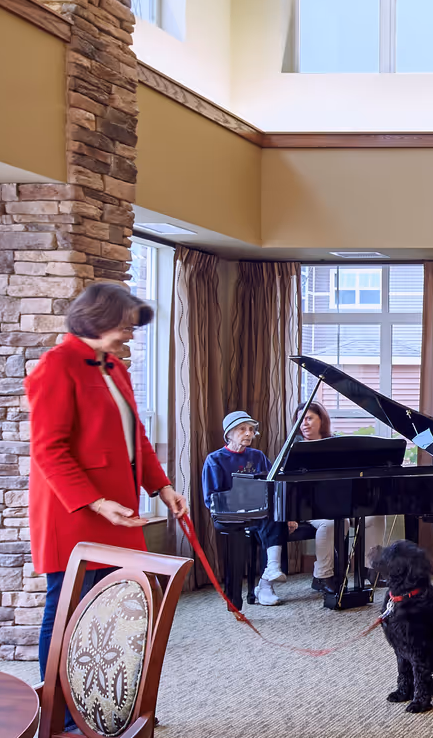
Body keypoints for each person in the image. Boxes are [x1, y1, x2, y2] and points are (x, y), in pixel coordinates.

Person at [26, 282, 187, 680]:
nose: (130, 336)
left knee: (115, 607)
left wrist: (161, 487)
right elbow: (48, 449)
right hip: (76, 512)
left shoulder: (115, 368)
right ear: (102, 320)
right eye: (127, 327)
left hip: (119, 509)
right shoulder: (56, 365)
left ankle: (110, 700)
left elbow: (136, 438)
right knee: (67, 607)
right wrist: (95, 502)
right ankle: (60, 708)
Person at [200, 411, 288, 605]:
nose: (248, 433)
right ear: (229, 433)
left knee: (277, 515)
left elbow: (272, 486)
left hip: (257, 512)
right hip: (228, 515)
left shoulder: (257, 456)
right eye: (242, 429)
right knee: (268, 518)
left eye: (251, 429)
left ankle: (268, 579)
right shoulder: (215, 459)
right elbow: (212, 497)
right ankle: (257, 585)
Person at [300, 401, 341, 594]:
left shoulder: (337, 446)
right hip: (305, 507)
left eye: (309, 418)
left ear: (321, 420)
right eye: (300, 420)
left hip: (335, 504)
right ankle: (323, 576)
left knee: (373, 517)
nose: (304, 424)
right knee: (331, 523)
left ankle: (369, 569)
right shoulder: (295, 449)